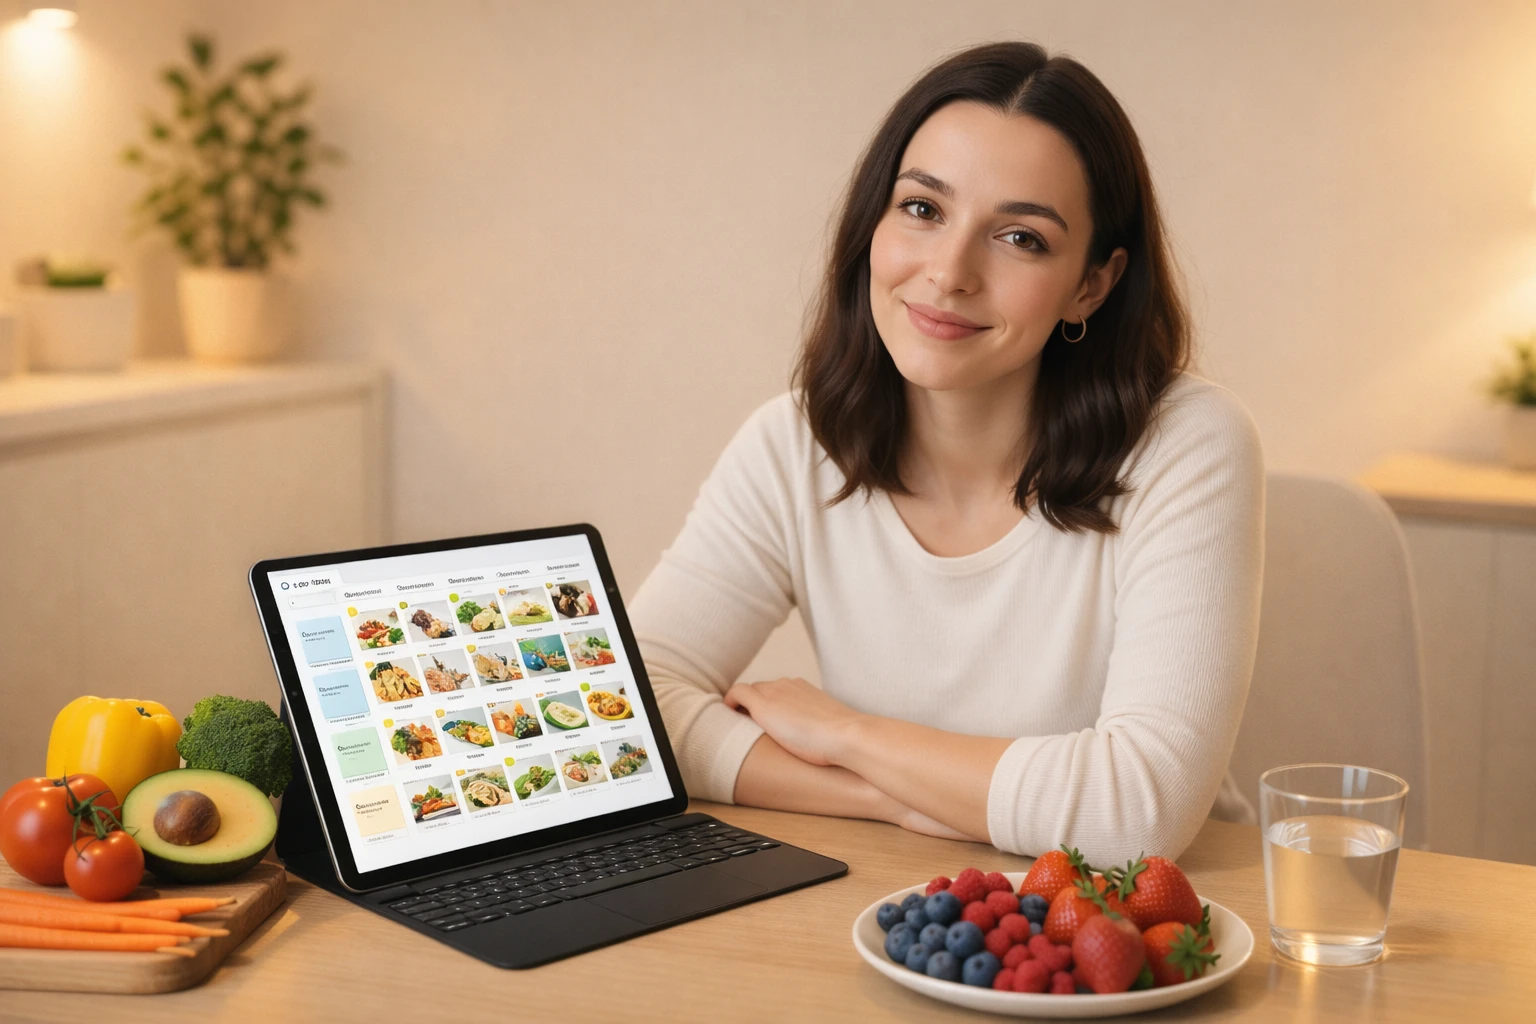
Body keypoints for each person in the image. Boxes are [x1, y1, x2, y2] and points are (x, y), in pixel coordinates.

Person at [627, 41, 1264, 865]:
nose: (949, 272)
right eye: (923, 210)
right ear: (872, 223)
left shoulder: (1187, 445)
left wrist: (846, 733)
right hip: (897, 898)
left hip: (1150, 929)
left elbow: (1135, 814)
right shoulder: (793, 444)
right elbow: (625, 717)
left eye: (1021, 238)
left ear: (1092, 285)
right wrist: (886, 797)